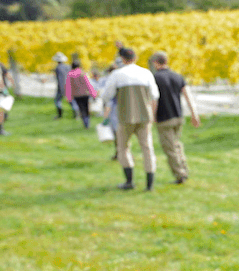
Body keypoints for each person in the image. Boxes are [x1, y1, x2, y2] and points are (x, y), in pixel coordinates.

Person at [101, 47, 160, 191]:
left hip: (125, 116)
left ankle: (129, 181)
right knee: (147, 148)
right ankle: (149, 183)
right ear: (135, 57)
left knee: (123, 148)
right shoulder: (146, 73)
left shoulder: (117, 74)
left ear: (122, 58)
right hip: (144, 116)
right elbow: (155, 95)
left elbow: (107, 95)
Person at [151, 51, 201, 184]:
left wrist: (152, 116)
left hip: (164, 117)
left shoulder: (155, 78)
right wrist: (193, 114)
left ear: (156, 63)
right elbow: (187, 95)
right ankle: (184, 169)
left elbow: (153, 100)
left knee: (170, 148)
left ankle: (180, 175)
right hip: (178, 116)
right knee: (177, 145)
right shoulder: (177, 76)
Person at [65, 59, 97, 129]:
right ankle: (87, 122)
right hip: (85, 94)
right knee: (86, 108)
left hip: (77, 95)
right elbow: (88, 84)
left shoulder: (70, 75)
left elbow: (68, 87)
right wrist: (93, 94)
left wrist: (69, 97)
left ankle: (85, 122)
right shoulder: (82, 73)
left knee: (81, 108)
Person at [52, 52, 78, 119]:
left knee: (57, 101)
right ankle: (76, 114)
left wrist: (61, 89)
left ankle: (60, 115)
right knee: (71, 101)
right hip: (69, 86)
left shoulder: (58, 68)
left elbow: (60, 79)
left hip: (62, 87)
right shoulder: (68, 67)